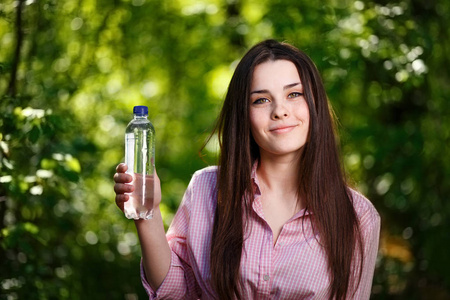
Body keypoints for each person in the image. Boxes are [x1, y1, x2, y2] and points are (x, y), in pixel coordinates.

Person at [114, 39, 380, 300]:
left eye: (294, 94)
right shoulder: (207, 188)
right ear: (244, 115)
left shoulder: (359, 217)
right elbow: (176, 291)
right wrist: (146, 214)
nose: (280, 111)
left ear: (315, 104)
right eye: (261, 100)